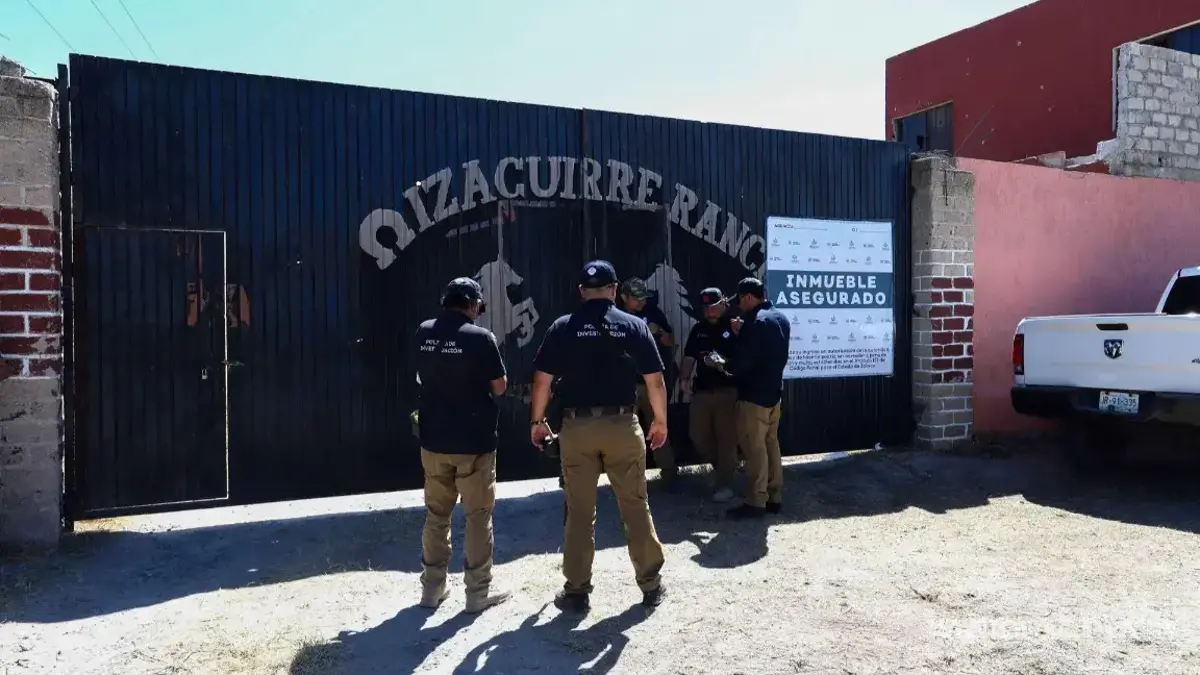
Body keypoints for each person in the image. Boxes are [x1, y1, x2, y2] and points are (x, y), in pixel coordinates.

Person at [529, 261, 669, 612]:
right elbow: (655, 381)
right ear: (614, 290)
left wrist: (538, 421)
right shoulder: (634, 325)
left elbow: (542, 380)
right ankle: (650, 584)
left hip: (576, 430)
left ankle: (577, 591)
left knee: (579, 512)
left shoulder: (563, 327)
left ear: (581, 292)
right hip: (622, 425)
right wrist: (660, 422)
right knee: (635, 505)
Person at [411, 277, 512, 612]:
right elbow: (499, 386)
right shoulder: (481, 338)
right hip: (474, 443)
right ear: (472, 304)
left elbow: (421, 375)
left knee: (437, 515)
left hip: (434, 440)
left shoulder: (424, 332)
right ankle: (477, 593)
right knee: (477, 517)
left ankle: (432, 590)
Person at [715, 277, 791, 520]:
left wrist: (721, 364)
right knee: (771, 445)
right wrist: (743, 330)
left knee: (754, 448)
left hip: (753, 396)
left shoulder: (754, 323)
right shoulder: (781, 318)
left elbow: (743, 362)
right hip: (774, 393)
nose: (739, 306)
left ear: (748, 297)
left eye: (740, 300)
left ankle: (756, 501)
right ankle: (774, 496)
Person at [679, 288, 739, 503]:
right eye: (705, 307)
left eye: (712, 306)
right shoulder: (698, 330)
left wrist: (724, 363)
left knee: (727, 439)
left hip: (728, 391)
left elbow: (747, 357)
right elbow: (689, 357)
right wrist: (683, 379)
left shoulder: (735, 326)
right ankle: (721, 468)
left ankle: (725, 483)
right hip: (702, 391)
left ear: (723, 304)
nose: (708, 311)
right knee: (698, 435)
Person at [617, 277, 678, 486]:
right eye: (637, 298)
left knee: (659, 426)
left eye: (644, 298)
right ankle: (628, 477)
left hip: (649, 383)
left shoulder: (653, 313)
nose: (642, 302)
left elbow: (671, 341)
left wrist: (658, 331)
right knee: (624, 431)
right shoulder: (615, 315)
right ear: (624, 297)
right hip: (625, 383)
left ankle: (669, 473)